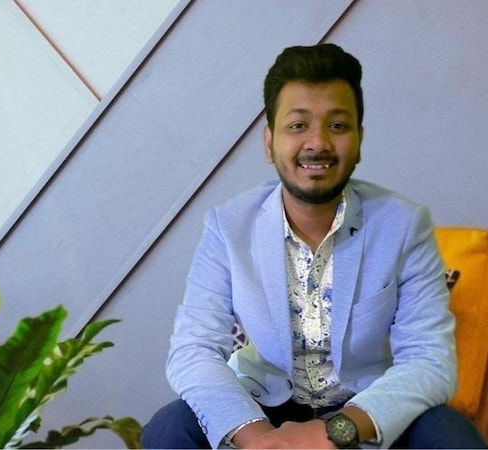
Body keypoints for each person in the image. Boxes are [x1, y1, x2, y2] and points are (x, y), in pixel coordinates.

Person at [141, 44, 487, 449]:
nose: (318, 142)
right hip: (262, 406)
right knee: (169, 428)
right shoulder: (228, 227)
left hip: (365, 408)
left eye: (338, 125)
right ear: (269, 142)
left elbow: (429, 360)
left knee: (450, 435)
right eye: (298, 125)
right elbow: (193, 349)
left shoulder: (404, 225)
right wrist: (260, 440)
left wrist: (332, 432)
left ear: (359, 139)